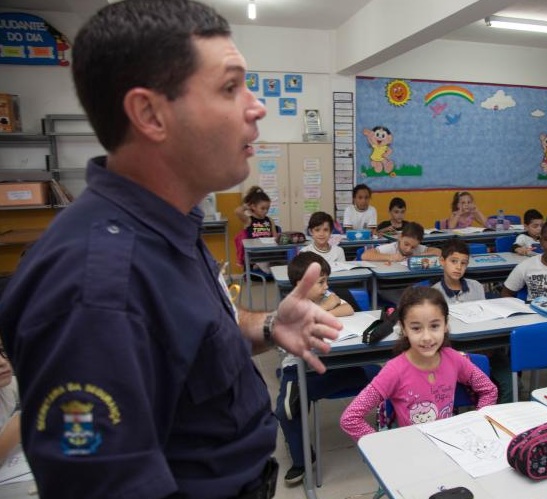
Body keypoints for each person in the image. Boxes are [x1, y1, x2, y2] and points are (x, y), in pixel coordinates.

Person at [0, 2, 342, 498]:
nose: (256, 106)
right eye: (230, 87)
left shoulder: (169, 228)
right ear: (149, 114)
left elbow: (188, 341)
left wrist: (267, 325)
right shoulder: (94, 284)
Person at [339, 286, 497, 441]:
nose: (427, 337)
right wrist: (381, 446)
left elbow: (489, 390)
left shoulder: (454, 358)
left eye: (435, 326)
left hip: (450, 445)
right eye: (416, 328)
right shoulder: (394, 371)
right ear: (404, 328)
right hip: (413, 450)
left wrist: (478, 424)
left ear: (445, 324)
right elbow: (350, 419)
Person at [275, 252, 374, 485]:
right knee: (287, 409)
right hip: (299, 368)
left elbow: (348, 308)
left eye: (326, 281)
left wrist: (323, 311)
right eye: (321, 282)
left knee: (378, 374)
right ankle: (302, 460)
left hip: (333, 363)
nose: (326, 286)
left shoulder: (324, 295)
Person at [432, 238, 484, 303]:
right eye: (453, 261)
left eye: (463, 263)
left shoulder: (477, 287)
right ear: (442, 261)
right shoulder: (434, 294)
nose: (459, 267)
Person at [362, 222, 441, 263]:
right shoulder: (392, 248)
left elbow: (438, 252)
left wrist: (419, 257)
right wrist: (390, 257)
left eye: (413, 247)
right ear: (400, 237)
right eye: (406, 244)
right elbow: (365, 255)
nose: (408, 249)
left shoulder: (418, 248)